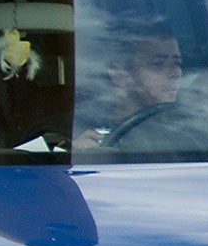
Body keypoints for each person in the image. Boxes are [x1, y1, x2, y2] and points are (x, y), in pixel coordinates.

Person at [75, 19, 182, 151]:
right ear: (119, 75)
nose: (175, 73)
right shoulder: (81, 122)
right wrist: (77, 153)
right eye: (158, 64)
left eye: (177, 63)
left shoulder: (189, 123)